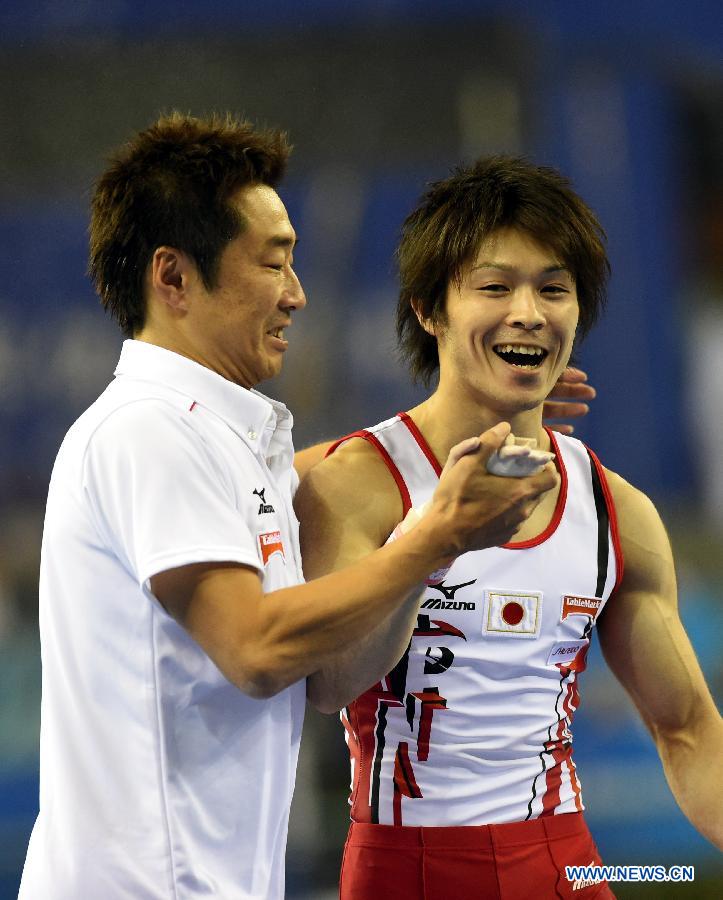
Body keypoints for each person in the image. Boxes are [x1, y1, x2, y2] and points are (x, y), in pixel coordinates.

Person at [20, 115, 592, 900]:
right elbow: (255, 651)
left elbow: (327, 680)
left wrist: (496, 396)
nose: (296, 294)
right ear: (175, 278)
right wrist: (432, 539)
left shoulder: (224, 439)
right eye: (273, 263)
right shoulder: (149, 431)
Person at [295, 156, 723, 899]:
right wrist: (436, 537)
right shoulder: (358, 484)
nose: (528, 311)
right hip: (405, 867)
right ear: (428, 309)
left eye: (553, 288)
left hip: (569, 862)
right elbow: (331, 683)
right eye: (494, 286)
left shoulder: (615, 509)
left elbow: (686, 728)